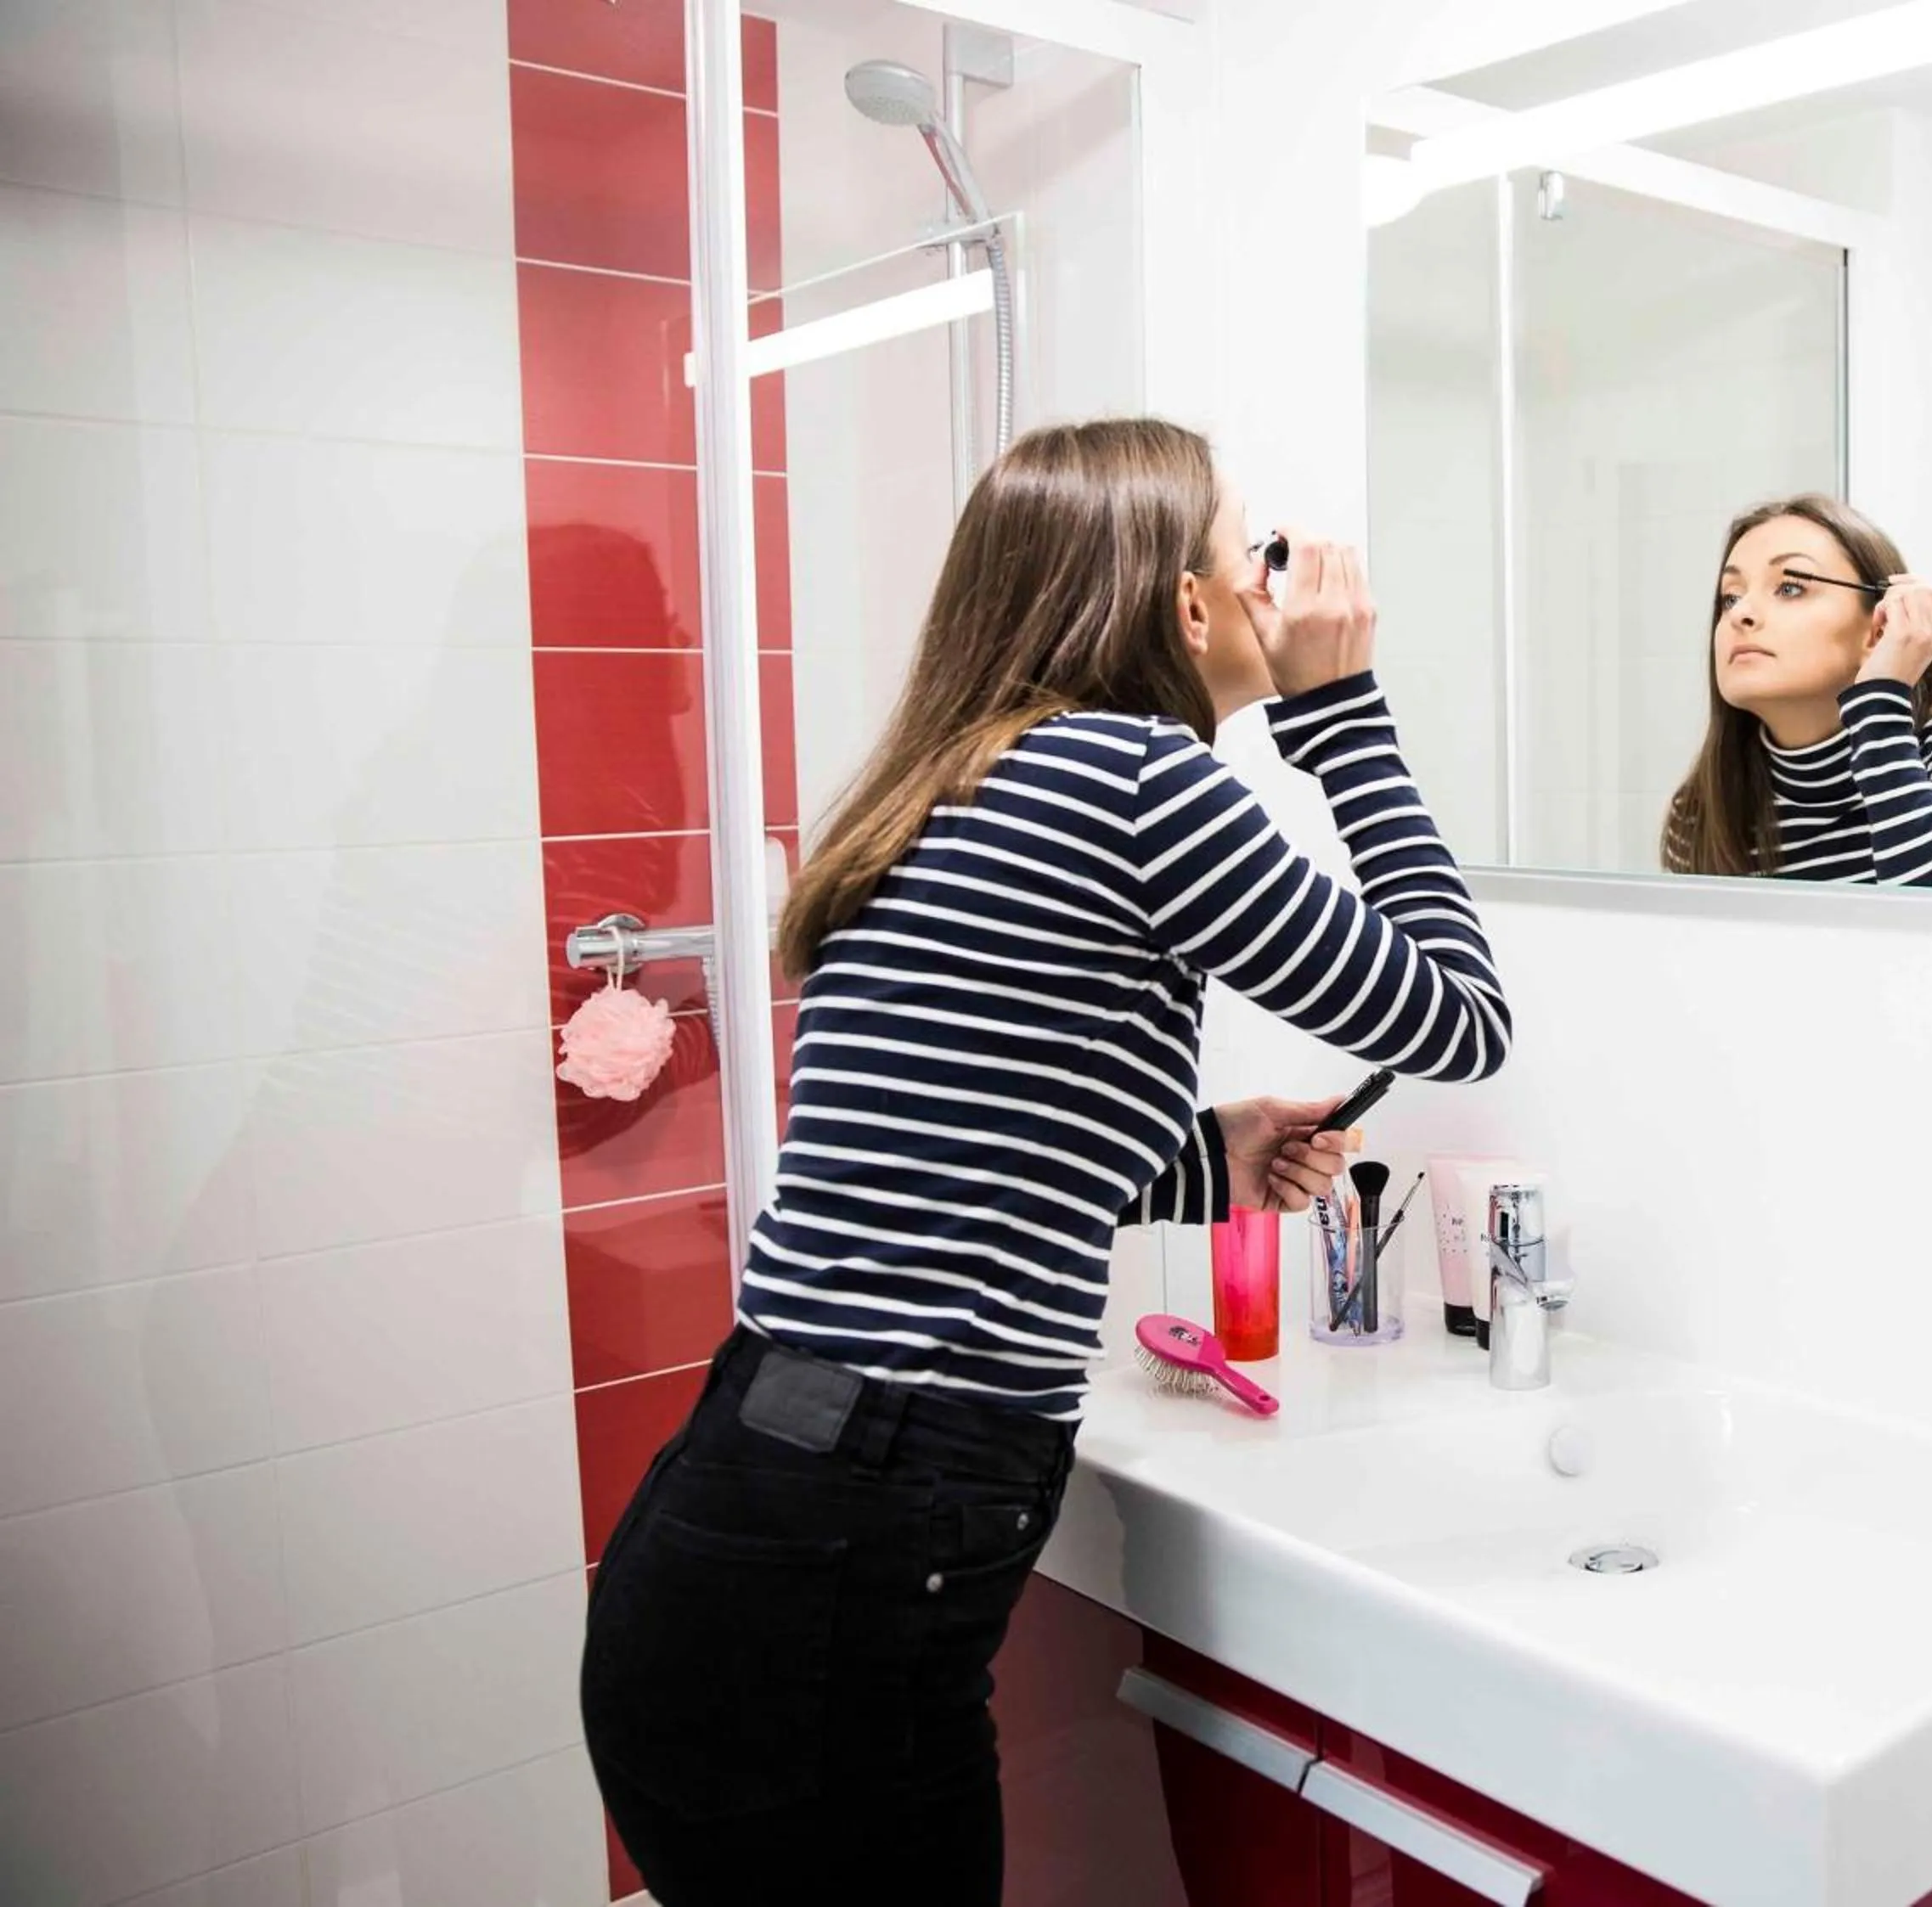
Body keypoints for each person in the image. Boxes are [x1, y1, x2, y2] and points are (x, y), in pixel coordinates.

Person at [579, 418, 1511, 1904]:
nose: (1282, 585)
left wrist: (1212, 1154)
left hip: (742, 1509)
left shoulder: (944, 784)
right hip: (845, 1552)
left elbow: (963, 1148)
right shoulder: (1139, 776)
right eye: (1252, 551)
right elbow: (1459, 1016)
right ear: (1188, 606)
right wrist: (1342, 710)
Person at [1660, 494, 1932, 889]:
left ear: (1879, 628)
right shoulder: (1702, 810)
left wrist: (1881, 704)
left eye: (1789, 587)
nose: (1739, 613)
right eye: (1730, 596)